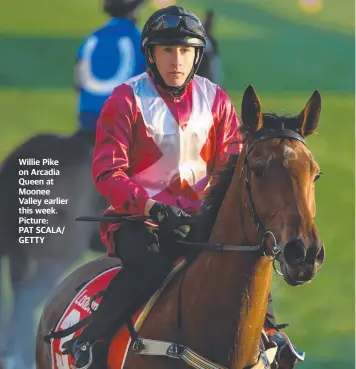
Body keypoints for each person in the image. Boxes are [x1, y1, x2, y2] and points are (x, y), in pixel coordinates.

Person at [71, 5, 303, 369]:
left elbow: (232, 168)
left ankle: (271, 335)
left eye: (185, 50)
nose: (175, 60)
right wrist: (152, 208)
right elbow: (107, 173)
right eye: (166, 50)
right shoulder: (124, 100)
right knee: (149, 265)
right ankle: (91, 342)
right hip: (139, 223)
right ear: (150, 53)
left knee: (249, 256)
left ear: (196, 56)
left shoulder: (218, 101)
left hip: (200, 220)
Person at [74, 0, 147, 141]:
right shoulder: (140, 41)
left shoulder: (91, 39)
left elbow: (78, 83)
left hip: (87, 121)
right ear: (134, 11)